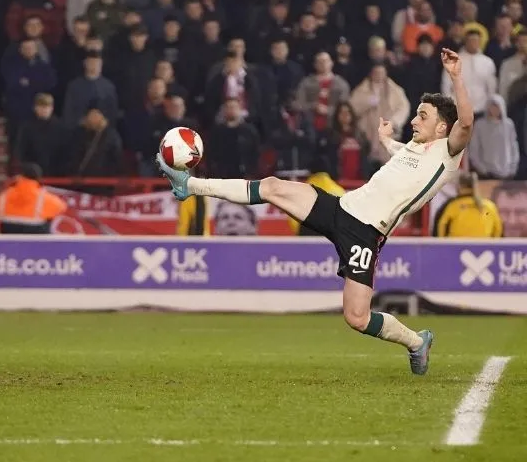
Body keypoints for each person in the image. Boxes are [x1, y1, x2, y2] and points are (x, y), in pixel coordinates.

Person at [156, 48, 474, 376]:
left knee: (357, 317)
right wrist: (386, 141)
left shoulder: (447, 153)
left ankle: (416, 341)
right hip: (341, 208)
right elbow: (404, 156)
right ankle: (190, 186)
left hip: (365, 235)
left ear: (442, 128)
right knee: (272, 186)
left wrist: (456, 76)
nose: (414, 119)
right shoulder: (413, 148)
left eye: (423, 115)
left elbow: (465, 122)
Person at [433, 172, 503, 238]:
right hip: (484, 247)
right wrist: (492, 244)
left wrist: (443, 243)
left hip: (456, 247)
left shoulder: (453, 205)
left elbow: (442, 224)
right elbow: (498, 228)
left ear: (460, 186)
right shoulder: (490, 205)